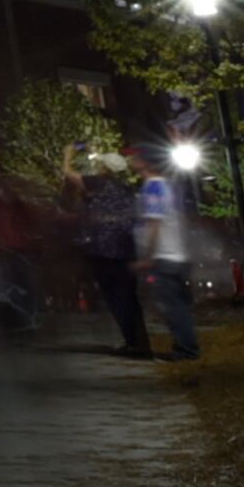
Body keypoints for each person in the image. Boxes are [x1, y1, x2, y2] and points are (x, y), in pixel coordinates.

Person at [77, 152, 152, 358]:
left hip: (107, 251)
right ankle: (138, 341)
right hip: (125, 249)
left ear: (106, 170)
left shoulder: (103, 187)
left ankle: (134, 342)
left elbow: (70, 175)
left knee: (117, 298)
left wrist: (69, 153)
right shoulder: (127, 190)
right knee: (128, 297)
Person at [136, 154, 202, 360]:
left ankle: (186, 350)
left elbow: (154, 223)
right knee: (179, 305)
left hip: (165, 256)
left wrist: (148, 255)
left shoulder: (153, 187)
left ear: (146, 163)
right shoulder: (170, 187)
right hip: (179, 255)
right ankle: (185, 346)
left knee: (173, 307)